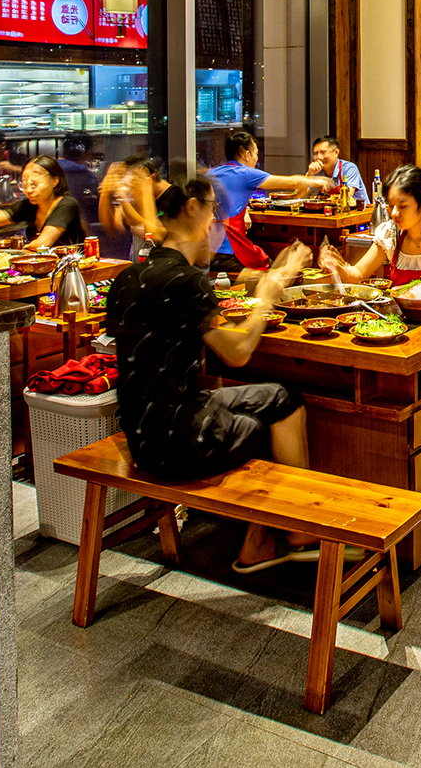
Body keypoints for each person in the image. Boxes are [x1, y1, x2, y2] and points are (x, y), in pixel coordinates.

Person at [108, 176, 321, 573]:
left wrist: (270, 280)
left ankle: (293, 531)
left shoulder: (128, 278)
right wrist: (269, 293)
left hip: (140, 433)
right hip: (177, 440)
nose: (215, 227)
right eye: (213, 215)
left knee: (283, 398)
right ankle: (276, 536)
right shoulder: (186, 280)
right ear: (193, 209)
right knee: (260, 427)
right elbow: (238, 352)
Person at [322, 165, 421, 286]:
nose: (394, 213)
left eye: (403, 206)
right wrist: (337, 268)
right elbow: (359, 273)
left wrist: (402, 292)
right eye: (391, 206)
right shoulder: (390, 234)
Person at [207, 130, 330, 276]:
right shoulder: (245, 173)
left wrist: (244, 211)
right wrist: (317, 181)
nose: (256, 159)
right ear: (245, 153)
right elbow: (291, 182)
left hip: (207, 251)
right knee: (274, 271)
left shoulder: (212, 173)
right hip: (229, 252)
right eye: (255, 154)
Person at [0, 156, 83, 249]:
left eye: (34, 184)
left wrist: (14, 254)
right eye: (24, 184)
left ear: (55, 181)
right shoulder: (29, 206)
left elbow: (43, 244)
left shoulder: (67, 204)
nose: (28, 190)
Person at [98, 154, 163, 260]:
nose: (128, 184)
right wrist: (105, 193)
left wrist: (142, 194)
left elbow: (154, 235)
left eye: (133, 178)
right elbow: (112, 228)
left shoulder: (166, 202)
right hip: (137, 263)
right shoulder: (130, 202)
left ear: (150, 179)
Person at [305, 135, 368, 202]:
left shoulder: (349, 168)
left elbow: (347, 196)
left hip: (357, 208)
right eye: (316, 153)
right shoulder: (317, 171)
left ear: (336, 152)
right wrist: (310, 174)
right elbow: (301, 194)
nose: (319, 157)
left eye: (323, 153)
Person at [58, 136, 102, 232]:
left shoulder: (54, 165)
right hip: (71, 221)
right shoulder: (82, 171)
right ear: (88, 152)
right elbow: (99, 193)